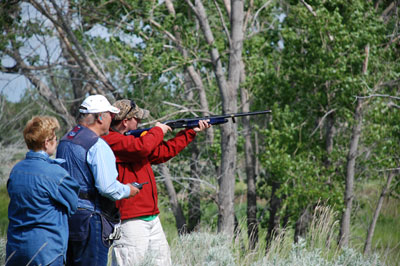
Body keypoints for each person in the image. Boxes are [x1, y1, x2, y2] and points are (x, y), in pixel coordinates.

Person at [102, 99, 211, 266]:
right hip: (130, 220)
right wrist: (158, 131)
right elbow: (142, 148)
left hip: (151, 216)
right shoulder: (111, 140)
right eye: (136, 119)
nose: (139, 122)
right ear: (125, 121)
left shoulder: (132, 140)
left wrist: (190, 132)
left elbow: (163, 152)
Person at [56, 95, 140, 266]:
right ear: (100, 117)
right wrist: (128, 190)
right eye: (110, 114)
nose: (113, 118)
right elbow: (107, 188)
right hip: (90, 220)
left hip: (66, 217)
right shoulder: (97, 145)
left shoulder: (66, 139)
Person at [6, 116, 80, 266]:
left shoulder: (16, 170)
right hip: (47, 250)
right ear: (47, 142)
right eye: (55, 138)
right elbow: (73, 205)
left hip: (16, 247)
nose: (57, 141)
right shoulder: (56, 174)